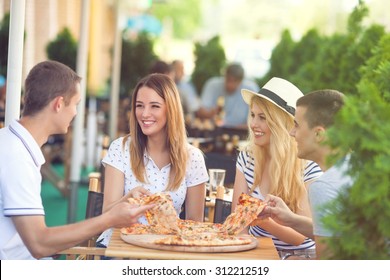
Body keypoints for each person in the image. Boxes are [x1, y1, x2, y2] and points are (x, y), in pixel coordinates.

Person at [0, 61, 154, 260]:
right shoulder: (16, 157)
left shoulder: (9, 141)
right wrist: (109, 219)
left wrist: (117, 209)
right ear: (58, 104)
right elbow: (38, 243)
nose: (75, 112)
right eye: (75, 104)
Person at [96, 73, 209, 247]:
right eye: (139, 106)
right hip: (120, 245)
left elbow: (195, 224)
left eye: (155, 106)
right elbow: (106, 216)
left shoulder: (193, 157)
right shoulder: (120, 148)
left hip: (167, 248)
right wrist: (127, 199)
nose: (145, 114)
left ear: (170, 109)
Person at [232, 77, 323, 259]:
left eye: (262, 118)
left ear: (280, 124)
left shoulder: (307, 166)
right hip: (258, 252)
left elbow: (300, 238)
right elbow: (238, 224)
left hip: (299, 257)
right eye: (252, 115)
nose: (253, 124)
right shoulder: (246, 158)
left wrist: (263, 222)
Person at [260, 89, 349, 259]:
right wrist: (290, 219)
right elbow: (337, 236)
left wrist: (289, 261)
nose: (291, 133)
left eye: (297, 125)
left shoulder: (324, 186)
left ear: (318, 134)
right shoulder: (355, 167)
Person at [196, 63, 259, 127]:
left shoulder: (250, 90)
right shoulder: (212, 85)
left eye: (234, 81)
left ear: (241, 81)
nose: (230, 84)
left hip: (240, 132)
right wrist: (210, 113)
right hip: (214, 129)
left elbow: (256, 119)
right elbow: (200, 112)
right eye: (228, 80)